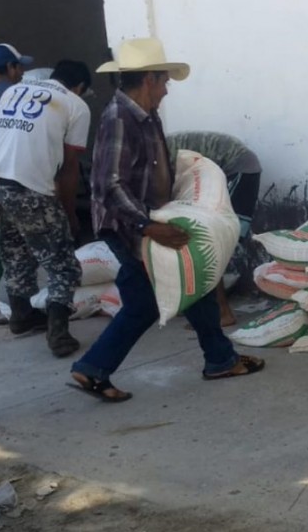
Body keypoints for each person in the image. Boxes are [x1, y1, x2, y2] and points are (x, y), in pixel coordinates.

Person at [70, 37, 265, 403]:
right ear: (149, 80)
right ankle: (94, 367)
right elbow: (108, 185)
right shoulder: (120, 118)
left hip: (147, 221)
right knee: (147, 303)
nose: (166, 91)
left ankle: (219, 359)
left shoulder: (145, 116)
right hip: (131, 228)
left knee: (196, 283)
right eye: (164, 82)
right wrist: (148, 226)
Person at [0, 59, 92, 357]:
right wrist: (70, 213)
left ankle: (21, 316)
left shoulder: (15, 90)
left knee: (15, 252)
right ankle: (58, 335)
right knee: (64, 265)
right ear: (80, 87)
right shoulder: (75, 104)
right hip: (28, 190)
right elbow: (70, 167)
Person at [165, 131, 262, 327]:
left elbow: (165, 195)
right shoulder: (150, 152)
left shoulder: (150, 157)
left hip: (239, 168)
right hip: (220, 170)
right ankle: (209, 309)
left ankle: (221, 312)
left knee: (206, 240)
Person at [0, 43, 35, 304]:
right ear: (9, 67)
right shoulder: (16, 95)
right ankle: (21, 305)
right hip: (8, 178)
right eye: (19, 67)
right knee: (9, 242)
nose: (22, 73)